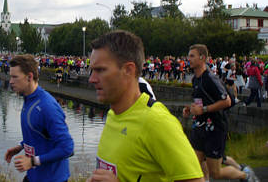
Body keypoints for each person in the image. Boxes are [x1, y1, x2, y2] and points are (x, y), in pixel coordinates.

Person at [87, 30, 203, 182]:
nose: (91, 79)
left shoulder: (157, 122)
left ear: (128, 70)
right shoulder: (112, 114)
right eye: (92, 70)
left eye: (100, 70)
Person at [183, 44, 256, 182]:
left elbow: (227, 101)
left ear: (202, 58)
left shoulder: (210, 78)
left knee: (215, 172)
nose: (188, 59)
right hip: (200, 126)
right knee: (194, 162)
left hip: (215, 127)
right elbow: (201, 101)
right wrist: (190, 108)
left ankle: (245, 176)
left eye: (192, 56)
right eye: (188, 56)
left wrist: (203, 110)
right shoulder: (195, 79)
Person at [5, 54, 74, 182]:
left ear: (29, 77)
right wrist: (22, 145)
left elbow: (67, 147)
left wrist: (33, 161)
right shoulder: (29, 99)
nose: (10, 81)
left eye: (15, 77)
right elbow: (42, 133)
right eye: (10, 76)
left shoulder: (47, 106)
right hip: (33, 177)